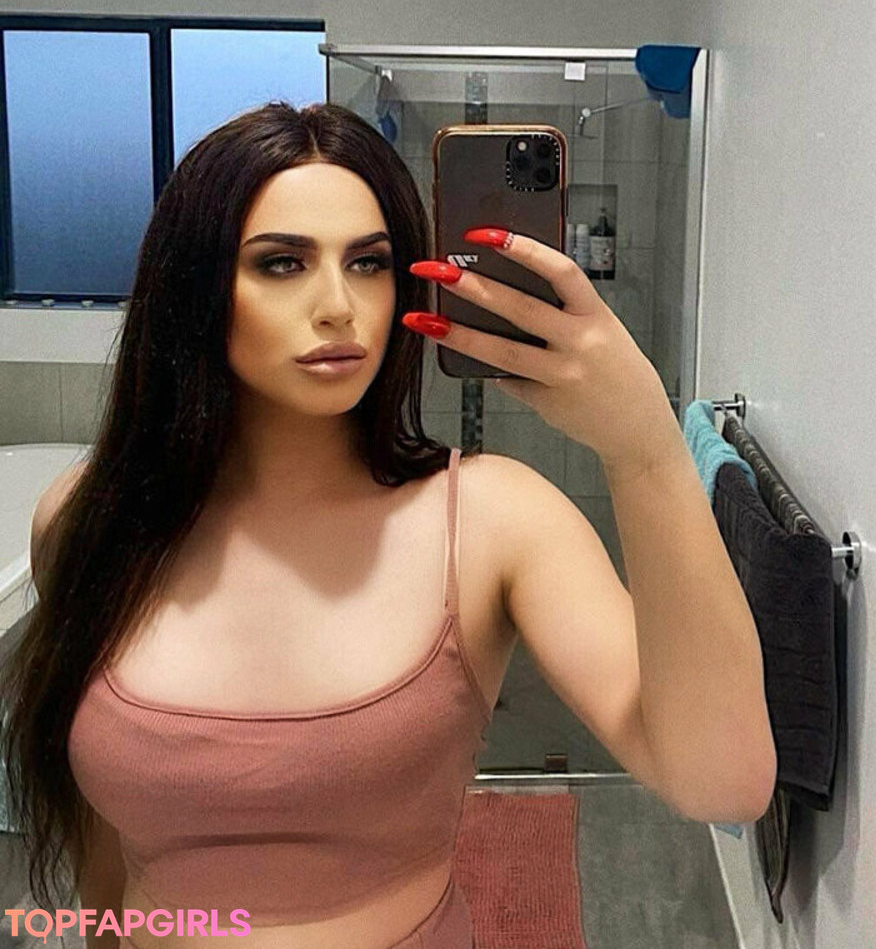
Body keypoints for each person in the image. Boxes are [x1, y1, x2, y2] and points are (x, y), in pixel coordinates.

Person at [1, 100, 775, 949]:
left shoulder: (493, 521)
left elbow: (723, 783)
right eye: (282, 263)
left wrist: (646, 449)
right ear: (194, 288)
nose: (340, 305)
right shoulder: (85, 523)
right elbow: (100, 849)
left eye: (369, 263)